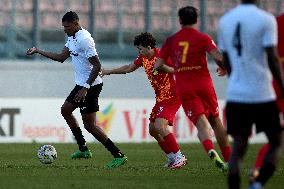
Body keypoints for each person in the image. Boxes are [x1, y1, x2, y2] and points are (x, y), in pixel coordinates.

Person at [26, 11, 127, 169]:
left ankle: (118, 155)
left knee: (90, 126)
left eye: (67, 26)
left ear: (75, 23)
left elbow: (97, 66)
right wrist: (38, 51)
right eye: (63, 27)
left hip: (91, 86)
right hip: (81, 84)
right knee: (66, 110)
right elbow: (61, 57)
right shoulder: (72, 36)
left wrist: (85, 88)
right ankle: (83, 149)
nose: (64, 29)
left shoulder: (84, 39)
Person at [153, 6, 231, 172]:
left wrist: (176, 68)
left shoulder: (171, 41)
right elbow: (218, 56)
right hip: (204, 84)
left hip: (185, 87)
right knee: (216, 121)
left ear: (180, 20)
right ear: (197, 19)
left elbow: (158, 66)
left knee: (201, 124)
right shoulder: (203, 38)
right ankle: (230, 159)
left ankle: (209, 148)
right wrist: (224, 68)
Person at [217, 1, 284, 189]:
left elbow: (227, 59)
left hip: (236, 94)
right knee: (276, 141)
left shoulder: (225, 20)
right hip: (262, 93)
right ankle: (258, 184)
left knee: (239, 145)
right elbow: (272, 56)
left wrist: (236, 79)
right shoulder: (266, 19)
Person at [101, 32, 186, 168]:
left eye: (140, 48)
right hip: (160, 98)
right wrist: (108, 71)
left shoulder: (161, 56)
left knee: (159, 126)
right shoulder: (143, 58)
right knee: (153, 130)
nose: (139, 51)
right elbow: (129, 68)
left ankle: (179, 156)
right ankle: (171, 157)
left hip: (172, 96)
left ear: (149, 47)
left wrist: (163, 68)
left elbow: (178, 70)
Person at [249, 12, 284, 183]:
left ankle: (256, 170)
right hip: (278, 83)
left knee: (276, 137)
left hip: (273, 85)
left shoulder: (274, 22)